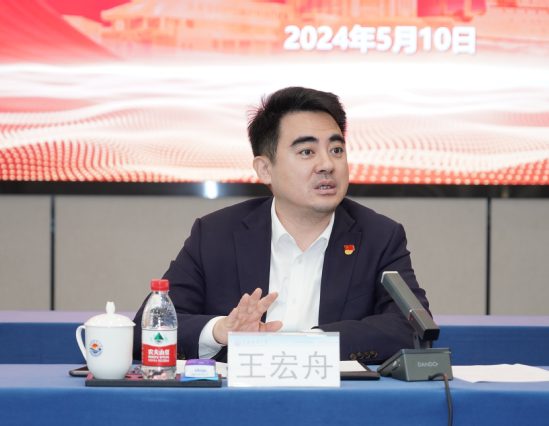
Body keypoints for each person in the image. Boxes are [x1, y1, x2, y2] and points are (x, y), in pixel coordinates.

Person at [133, 87, 430, 364]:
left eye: (336, 150)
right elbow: (147, 327)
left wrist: (312, 344)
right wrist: (220, 331)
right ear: (265, 169)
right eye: (307, 152)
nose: (327, 164)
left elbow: (412, 326)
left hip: (336, 399)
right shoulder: (215, 235)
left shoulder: (379, 237)